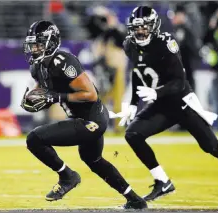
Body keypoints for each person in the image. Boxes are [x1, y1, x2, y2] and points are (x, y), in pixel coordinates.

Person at [117, 6, 218, 203]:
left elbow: (179, 82)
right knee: (133, 134)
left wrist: (156, 91)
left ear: (154, 27)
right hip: (161, 104)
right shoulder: (130, 44)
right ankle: (163, 181)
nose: (140, 32)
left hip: (181, 103)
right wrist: (133, 104)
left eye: (144, 28)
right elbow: (138, 72)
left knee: (213, 148)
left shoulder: (165, 43)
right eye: (136, 28)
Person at [20, 20, 147, 209]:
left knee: (34, 139)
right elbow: (44, 93)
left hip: (91, 119)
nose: (35, 48)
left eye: (39, 43)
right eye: (33, 44)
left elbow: (90, 94)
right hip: (81, 118)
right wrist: (35, 100)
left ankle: (67, 176)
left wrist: (56, 96)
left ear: (51, 42)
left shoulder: (63, 62)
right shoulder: (37, 67)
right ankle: (135, 199)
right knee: (93, 160)